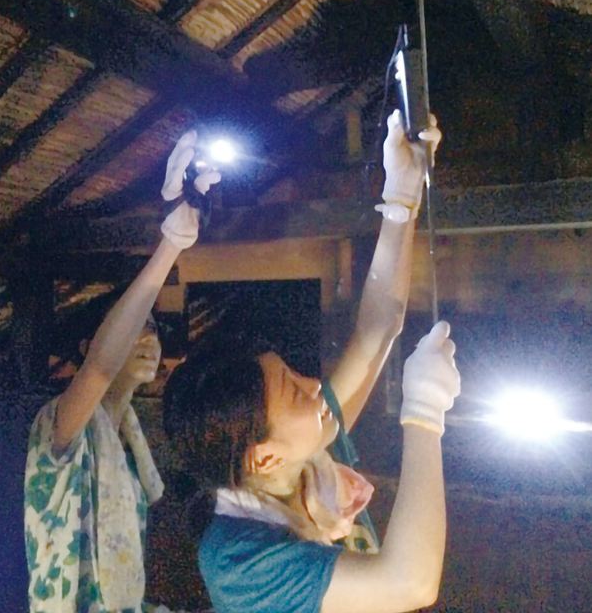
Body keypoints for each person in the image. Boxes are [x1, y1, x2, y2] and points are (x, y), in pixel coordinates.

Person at [164, 110, 460, 613]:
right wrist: (424, 413)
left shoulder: (299, 461)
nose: (315, 385)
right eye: (293, 390)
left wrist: (401, 198)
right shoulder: (238, 561)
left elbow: (376, 329)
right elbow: (409, 584)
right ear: (263, 457)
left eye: (294, 374)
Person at [24, 130, 220, 613]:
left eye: (153, 329)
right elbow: (98, 370)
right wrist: (170, 246)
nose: (150, 340)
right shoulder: (60, 427)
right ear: (93, 342)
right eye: (137, 328)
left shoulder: (131, 447)